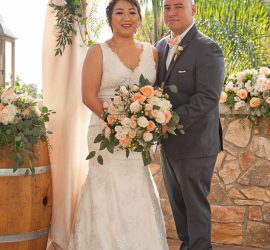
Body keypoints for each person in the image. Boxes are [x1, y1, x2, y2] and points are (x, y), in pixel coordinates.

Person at [67, 0, 169, 249]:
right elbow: (88, 96)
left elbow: (156, 95)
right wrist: (119, 122)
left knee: (137, 185)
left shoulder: (152, 52)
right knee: (106, 187)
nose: (126, 18)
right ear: (110, 18)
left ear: (139, 17)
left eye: (132, 12)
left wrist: (143, 123)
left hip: (139, 137)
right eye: (119, 12)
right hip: (104, 133)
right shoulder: (97, 51)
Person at [155, 0, 225, 249]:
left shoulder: (208, 48)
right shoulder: (160, 46)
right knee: (179, 209)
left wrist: (169, 122)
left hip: (196, 144)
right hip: (168, 144)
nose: (171, 12)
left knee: (195, 210)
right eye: (167, 7)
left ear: (193, 9)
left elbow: (207, 97)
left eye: (178, 6)